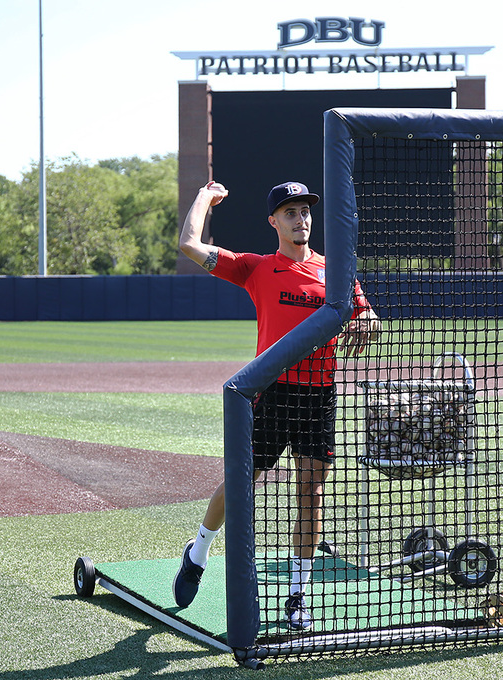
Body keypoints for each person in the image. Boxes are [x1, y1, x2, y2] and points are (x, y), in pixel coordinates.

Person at [174, 180, 380, 630]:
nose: (300, 219)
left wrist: (368, 319)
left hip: (319, 395)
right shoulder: (256, 268)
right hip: (269, 393)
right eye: (290, 212)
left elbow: (365, 312)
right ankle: (200, 550)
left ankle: (298, 595)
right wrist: (206, 198)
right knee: (241, 481)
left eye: (305, 211)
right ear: (274, 221)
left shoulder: (338, 271)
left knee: (311, 490)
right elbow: (189, 244)